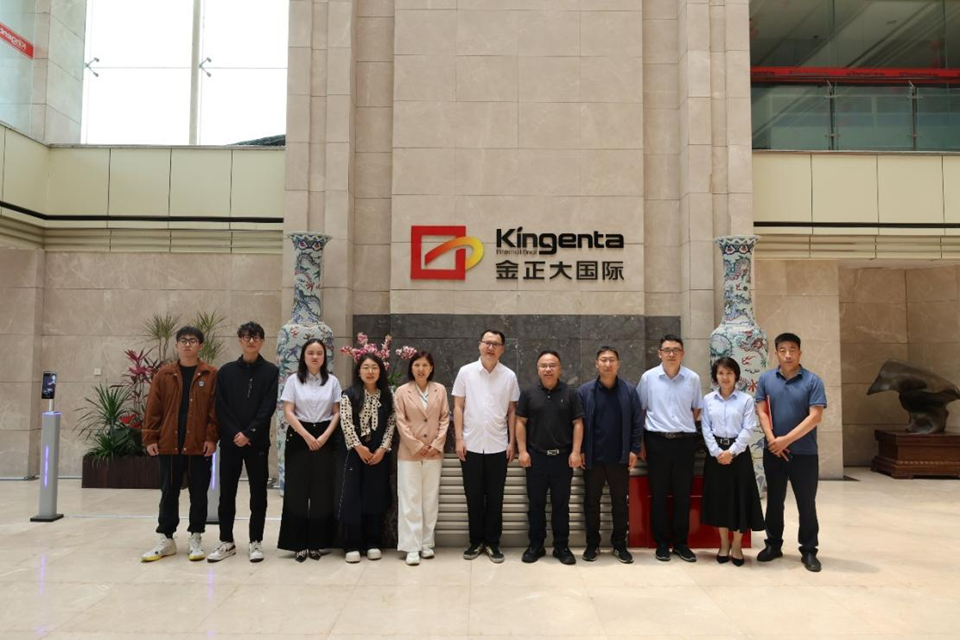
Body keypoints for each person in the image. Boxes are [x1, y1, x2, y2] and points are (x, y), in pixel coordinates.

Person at [140, 326, 218, 563]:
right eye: (183, 340)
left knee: (199, 493)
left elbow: (215, 411)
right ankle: (166, 538)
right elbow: (153, 409)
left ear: (200, 345)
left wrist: (211, 438)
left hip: (198, 445)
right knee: (169, 492)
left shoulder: (210, 374)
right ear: (176, 345)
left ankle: (196, 537)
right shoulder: (164, 375)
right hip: (169, 444)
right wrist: (150, 437)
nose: (187, 344)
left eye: (192, 340)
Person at [207, 321, 279, 564]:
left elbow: (268, 407)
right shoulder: (226, 371)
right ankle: (226, 541)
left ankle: (255, 541)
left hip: (257, 443)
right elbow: (220, 406)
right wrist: (235, 433)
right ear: (240, 340)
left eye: (256, 337)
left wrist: (249, 433)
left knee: (258, 494)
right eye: (247, 337)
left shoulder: (270, 371)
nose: (251, 341)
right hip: (230, 443)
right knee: (227, 493)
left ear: (262, 341)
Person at [755, 332, 827, 573]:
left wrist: (785, 440)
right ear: (776, 353)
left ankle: (809, 550)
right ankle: (773, 544)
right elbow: (762, 411)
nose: (788, 354)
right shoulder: (766, 379)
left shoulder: (813, 381)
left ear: (800, 353)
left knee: (806, 503)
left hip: (804, 453)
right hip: (774, 452)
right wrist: (772, 440)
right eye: (783, 350)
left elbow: (815, 417)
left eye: (792, 350)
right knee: (774, 501)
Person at [452, 329, 520, 563]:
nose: (491, 347)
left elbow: (512, 410)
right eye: (487, 342)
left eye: (496, 344)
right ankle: (475, 541)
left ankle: (492, 542)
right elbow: (458, 406)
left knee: (495, 497)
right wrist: (459, 439)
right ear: (479, 345)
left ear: (502, 349)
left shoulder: (509, 376)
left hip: (498, 446)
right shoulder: (466, 372)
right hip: (470, 445)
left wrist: (512, 442)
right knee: (473, 496)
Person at [637, 334, 703, 563]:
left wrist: (681, 425)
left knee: (683, 495)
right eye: (667, 350)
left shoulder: (693, 378)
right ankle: (662, 543)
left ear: (683, 353)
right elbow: (641, 411)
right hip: (657, 442)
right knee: (659, 495)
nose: (671, 354)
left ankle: (681, 543)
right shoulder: (648, 378)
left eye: (676, 350)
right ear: (659, 353)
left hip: (685, 442)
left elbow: (697, 409)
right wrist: (642, 443)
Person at [516, 350, 584, 565]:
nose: (548, 369)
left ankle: (561, 546)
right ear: (538, 369)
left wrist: (575, 452)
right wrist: (522, 451)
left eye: (552, 365)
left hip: (562, 459)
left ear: (559, 369)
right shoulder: (528, 393)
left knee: (561, 505)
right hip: (535, 458)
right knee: (535, 505)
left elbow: (578, 423)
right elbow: (520, 422)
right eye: (543, 365)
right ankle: (535, 545)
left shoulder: (571, 393)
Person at [278, 338, 342, 562]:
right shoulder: (293, 380)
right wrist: (306, 436)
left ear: (325, 357)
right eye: (311, 353)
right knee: (296, 491)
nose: (315, 357)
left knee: (322, 491)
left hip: (325, 435)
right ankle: (297, 543)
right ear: (303, 356)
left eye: (319, 353)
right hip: (299, 435)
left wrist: (324, 436)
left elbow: (337, 412)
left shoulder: (332, 381)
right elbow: (288, 411)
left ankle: (318, 543)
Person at [578, 346, 643, 564]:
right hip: (593, 458)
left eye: (612, 360)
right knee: (591, 502)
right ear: (596, 364)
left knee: (620, 503)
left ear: (618, 364)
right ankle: (592, 544)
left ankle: (619, 545)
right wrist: (581, 450)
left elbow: (637, 422)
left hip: (619, 457)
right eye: (604, 360)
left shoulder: (629, 391)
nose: (608, 364)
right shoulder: (585, 391)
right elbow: (578, 424)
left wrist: (634, 449)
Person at [700, 357, 765, 567]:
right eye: (721, 373)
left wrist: (732, 452)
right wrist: (717, 452)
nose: (725, 377)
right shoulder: (708, 399)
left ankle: (737, 544)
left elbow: (748, 428)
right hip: (716, 456)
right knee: (720, 500)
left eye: (729, 373)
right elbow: (706, 428)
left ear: (736, 375)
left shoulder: (745, 400)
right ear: (715, 376)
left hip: (739, 455)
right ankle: (724, 543)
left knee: (739, 500)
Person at [337, 354, 396, 563]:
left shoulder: (388, 395)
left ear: (380, 371)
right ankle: (352, 543)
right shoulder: (349, 394)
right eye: (366, 367)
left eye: (374, 368)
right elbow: (345, 422)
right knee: (352, 496)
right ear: (359, 371)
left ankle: (373, 542)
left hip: (379, 452)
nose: (370, 372)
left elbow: (391, 423)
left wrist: (383, 448)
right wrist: (358, 446)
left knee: (375, 495)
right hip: (354, 452)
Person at [393, 351, 449, 566]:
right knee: (410, 499)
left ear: (431, 368)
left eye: (425, 365)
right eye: (417, 365)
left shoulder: (440, 390)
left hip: (434, 454)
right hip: (409, 454)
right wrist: (416, 446)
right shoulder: (402, 391)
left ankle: (426, 543)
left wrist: (436, 445)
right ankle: (411, 547)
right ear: (411, 367)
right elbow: (400, 422)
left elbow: (444, 418)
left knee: (429, 500)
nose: (421, 369)